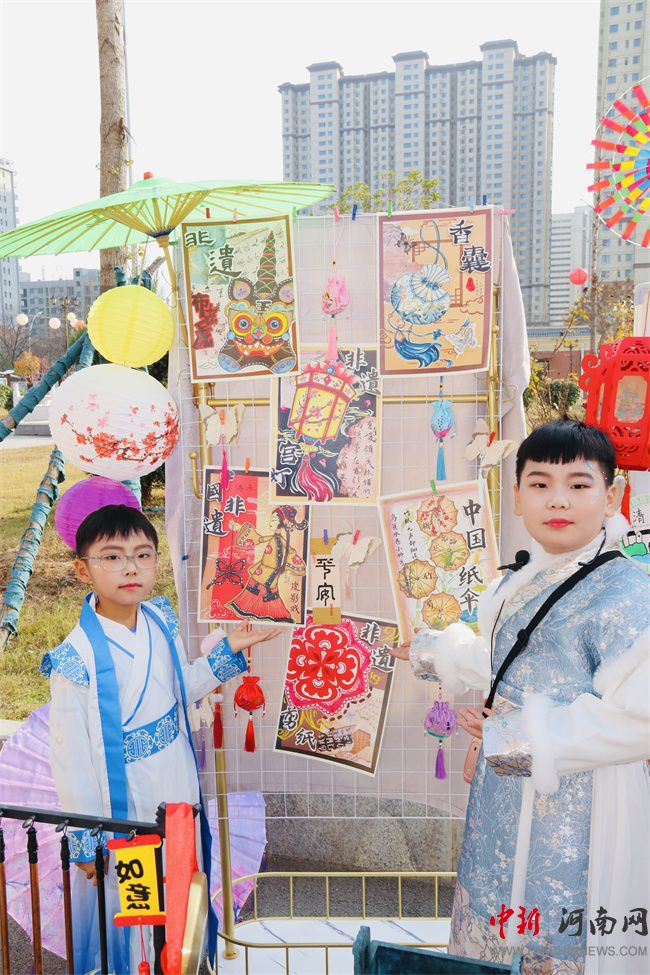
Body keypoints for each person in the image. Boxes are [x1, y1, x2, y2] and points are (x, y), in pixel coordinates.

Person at [393, 420, 650, 974]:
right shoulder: (520, 580)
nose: (558, 499)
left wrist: (512, 736)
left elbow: (638, 720)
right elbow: (506, 657)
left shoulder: (630, 593)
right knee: (494, 916)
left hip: (586, 802)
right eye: (539, 484)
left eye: (579, 484)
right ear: (516, 497)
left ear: (611, 496)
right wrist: (433, 650)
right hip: (504, 791)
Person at [41, 504, 281, 975]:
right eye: (112, 557)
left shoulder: (158, 619)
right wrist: (86, 839)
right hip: (124, 806)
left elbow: (179, 689)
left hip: (177, 786)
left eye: (143, 554)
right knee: (138, 908)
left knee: (183, 888)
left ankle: (184, 963)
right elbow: (71, 761)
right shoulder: (75, 658)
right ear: (82, 569)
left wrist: (229, 649)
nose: (131, 568)